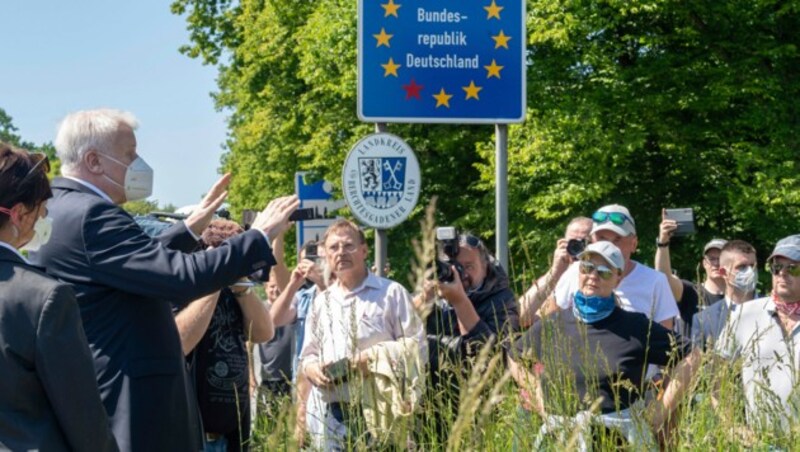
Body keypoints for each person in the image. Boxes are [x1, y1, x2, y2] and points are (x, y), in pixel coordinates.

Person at [30, 109, 299, 451]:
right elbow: (180, 278)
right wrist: (259, 235)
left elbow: (129, 263)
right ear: (94, 161)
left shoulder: (62, 207)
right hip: (132, 403)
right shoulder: (93, 215)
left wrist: (189, 229)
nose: (138, 163)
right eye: (130, 154)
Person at [510, 241, 699, 449]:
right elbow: (514, 356)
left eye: (604, 272)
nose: (593, 276)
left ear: (618, 278)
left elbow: (692, 354)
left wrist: (660, 411)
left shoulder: (634, 326)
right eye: (587, 268)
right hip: (562, 441)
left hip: (621, 441)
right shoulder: (553, 325)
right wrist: (538, 395)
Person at [0, 144, 118, 451]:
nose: (44, 217)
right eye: (42, 209)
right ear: (19, 215)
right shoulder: (43, 297)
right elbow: (83, 417)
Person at [299, 220, 427, 450]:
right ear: (326, 256)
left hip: (383, 409)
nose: (341, 253)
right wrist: (313, 370)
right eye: (334, 248)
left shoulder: (391, 292)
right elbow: (308, 355)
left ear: (364, 250)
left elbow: (418, 348)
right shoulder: (321, 302)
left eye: (348, 246)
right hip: (334, 413)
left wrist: (370, 359)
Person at [175, 219, 275, 451]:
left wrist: (243, 289)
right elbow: (178, 344)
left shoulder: (237, 289)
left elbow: (264, 332)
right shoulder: (182, 286)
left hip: (231, 435)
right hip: (194, 435)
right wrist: (215, 277)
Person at [426, 232, 520, 440]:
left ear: (485, 266)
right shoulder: (436, 298)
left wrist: (459, 301)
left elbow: (495, 360)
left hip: (482, 419)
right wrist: (421, 301)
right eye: (453, 267)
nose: (461, 274)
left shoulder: (502, 300)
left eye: (468, 266)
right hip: (432, 416)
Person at [715, 234, 800, 431]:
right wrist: (732, 426)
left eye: (793, 268)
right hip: (760, 443)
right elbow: (716, 378)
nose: (782, 274)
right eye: (777, 267)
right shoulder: (745, 314)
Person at [550, 204, 679, 329]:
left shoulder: (655, 281)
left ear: (633, 244)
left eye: (617, 240)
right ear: (591, 241)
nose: (608, 247)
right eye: (601, 239)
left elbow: (667, 340)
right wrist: (554, 272)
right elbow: (550, 325)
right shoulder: (576, 271)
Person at [267, 241, 328, 444]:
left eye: (317, 259)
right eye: (305, 260)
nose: (310, 265)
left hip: (336, 385)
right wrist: (293, 284)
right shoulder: (303, 297)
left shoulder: (342, 292)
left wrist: (321, 281)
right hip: (304, 386)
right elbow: (273, 320)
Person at [656, 212, 727, 336]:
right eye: (712, 259)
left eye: (721, 259)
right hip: (693, 355)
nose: (716, 263)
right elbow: (663, 278)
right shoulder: (691, 292)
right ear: (704, 263)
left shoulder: (738, 299)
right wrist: (663, 242)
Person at [519, 217, 592, 328]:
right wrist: (555, 272)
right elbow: (521, 318)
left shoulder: (607, 276)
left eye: (585, 243)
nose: (579, 249)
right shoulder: (557, 279)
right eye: (573, 243)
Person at [691, 240, 757, 350]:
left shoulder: (773, 309)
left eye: (753, 265)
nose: (750, 271)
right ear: (723, 272)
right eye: (741, 267)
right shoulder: (704, 319)